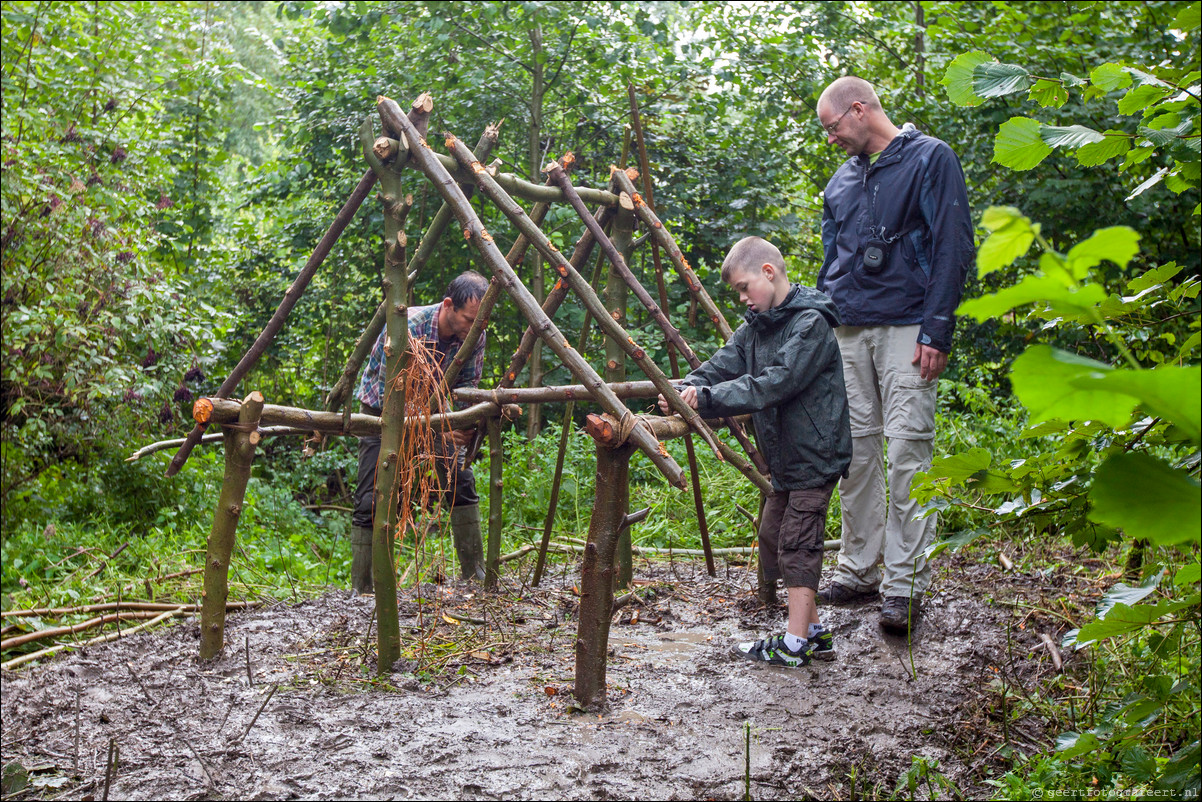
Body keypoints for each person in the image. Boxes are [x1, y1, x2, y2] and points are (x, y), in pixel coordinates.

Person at [814, 76, 974, 634]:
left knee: (908, 454)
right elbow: (831, 263)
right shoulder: (840, 181)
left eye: (832, 127)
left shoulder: (931, 159)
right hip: (849, 332)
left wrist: (937, 329)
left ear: (859, 110)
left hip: (909, 326)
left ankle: (904, 586)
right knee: (854, 456)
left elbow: (954, 244)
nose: (830, 139)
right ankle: (858, 569)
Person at [659, 236, 852, 667]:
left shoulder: (810, 325)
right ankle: (815, 633)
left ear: (769, 272)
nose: (743, 299)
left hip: (815, 454)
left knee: (799, 544)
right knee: (773, 534)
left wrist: (704, 398)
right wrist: (683, 386)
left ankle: (795, 644)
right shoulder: (756, 326)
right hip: (786, 457)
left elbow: (775, 383)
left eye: (745, 288)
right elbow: (722, 364)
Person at [350, 270, 491, 594]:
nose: (475, 328)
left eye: (479, 322)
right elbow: (393, 394)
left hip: (436, 415)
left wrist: (458, 422)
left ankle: (474, 575)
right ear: (447, 306)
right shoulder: (407, 327)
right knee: (372, 496)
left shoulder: (475, 334)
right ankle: (364, 588)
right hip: (382, 411)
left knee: (460, 482)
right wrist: (440, 424)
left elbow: (467, 385)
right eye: (469, 320)